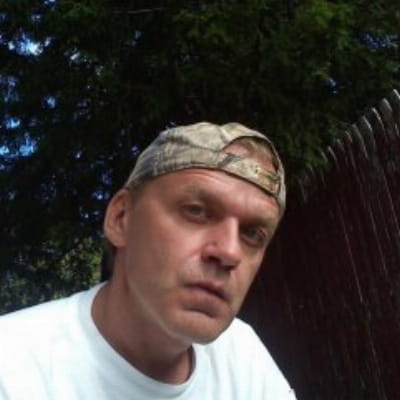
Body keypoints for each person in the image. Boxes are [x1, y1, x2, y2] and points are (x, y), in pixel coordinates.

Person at [0, 122, 296, 399]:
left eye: (252, 234)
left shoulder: (244, 358)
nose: (230, 252)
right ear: (121, 218)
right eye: (195, 211)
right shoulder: (13, 368)